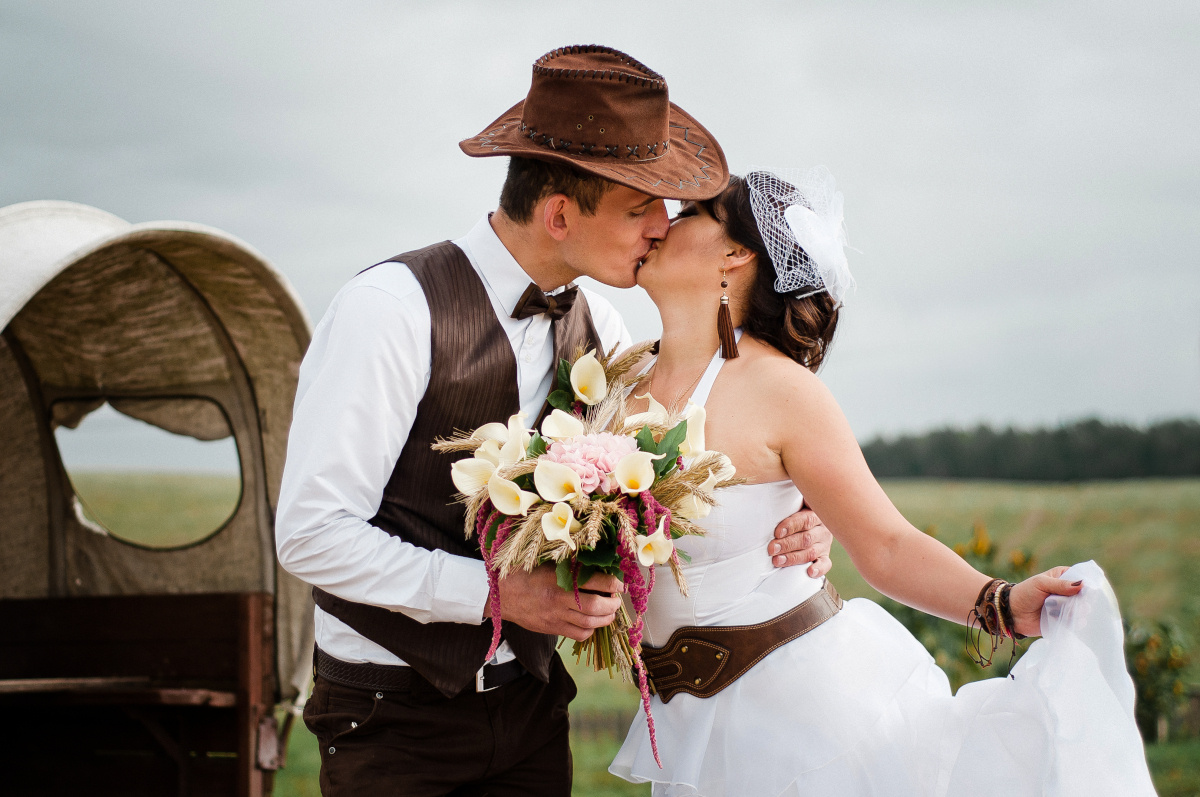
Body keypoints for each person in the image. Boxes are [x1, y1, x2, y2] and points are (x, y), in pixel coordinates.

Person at [275, 47, 835, 797]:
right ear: (561, 214)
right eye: (641, 207)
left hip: (534, 709)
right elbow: (310, 532)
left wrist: (801, 514)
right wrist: (494, 594)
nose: (662, 227)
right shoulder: (389, 312)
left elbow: (714, 438)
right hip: (389, 713)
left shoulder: (600, 325)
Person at [609, 169, 1157, 796]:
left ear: (736, 254)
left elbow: (886, 546)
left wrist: (1001, 603)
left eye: (689, 215)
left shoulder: (783, 391)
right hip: (687, 728)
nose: (661, 223)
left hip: (801, 721)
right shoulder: (614, 383)